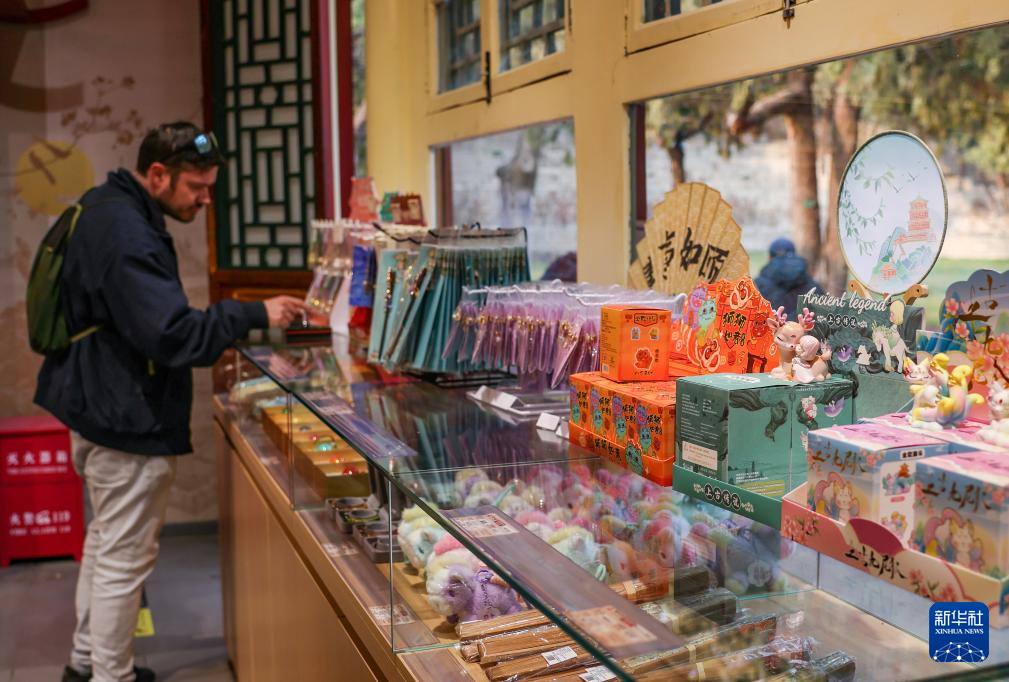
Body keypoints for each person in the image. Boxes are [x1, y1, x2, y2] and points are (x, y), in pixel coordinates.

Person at [34, 122, 308, 682]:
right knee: (123, 559)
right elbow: (172, 335)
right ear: (157, 174)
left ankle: (86, 665)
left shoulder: (106, 207)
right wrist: (254, 312)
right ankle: (111, 677)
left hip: (98, 404)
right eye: (196, 187)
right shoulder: (126, 231)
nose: (206, 200)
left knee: (105, 544)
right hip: (124, 416)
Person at [754, 237, 824, 316]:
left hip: (771, 323)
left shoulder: (757, 285)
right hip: (805, 323)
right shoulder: (813, 285)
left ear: (769, 257)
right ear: (795, 255)